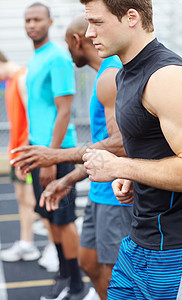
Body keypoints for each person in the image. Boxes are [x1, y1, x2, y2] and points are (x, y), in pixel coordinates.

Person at [78, 0, 182, 299]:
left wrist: (123, 167)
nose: (89, 32)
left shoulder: (167, 76)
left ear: (131, 17)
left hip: (176, 248)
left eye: (97, 22)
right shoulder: (125, 74)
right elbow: (159, 148)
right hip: (136, 242)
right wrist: (136, 176)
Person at [11, 14, 133, 300]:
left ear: (76, 41)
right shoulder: (101, 74)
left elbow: (120, 143)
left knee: (113, 273)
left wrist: (56, 156)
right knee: (88, 262)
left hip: (115, 195)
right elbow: (103, 140)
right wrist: (68, 178)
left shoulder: (111, 74)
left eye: (69, 44)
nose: (68, 50)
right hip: (96, 189)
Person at [22, 3, 87, 300]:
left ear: (50, 21)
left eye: (37, 19)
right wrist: (31, 147)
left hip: (57, 153)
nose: (31, 24)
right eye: (27, 20)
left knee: (64, 220)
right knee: (49, 217)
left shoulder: (59, 57)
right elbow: (39, 110)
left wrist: (51, 155)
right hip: (40, 151)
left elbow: (64, 111)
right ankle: (64, 273)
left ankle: (75, 284)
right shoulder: (36, 57)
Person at [0, 51, 40, 262]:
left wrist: (24, 152)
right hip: (17, 152)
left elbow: (33, 120)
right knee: (22, 198)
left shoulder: (23, 78)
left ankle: (55, 248)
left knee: (35, 201)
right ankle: (27, 243)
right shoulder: (9, 82)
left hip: (26, 152)